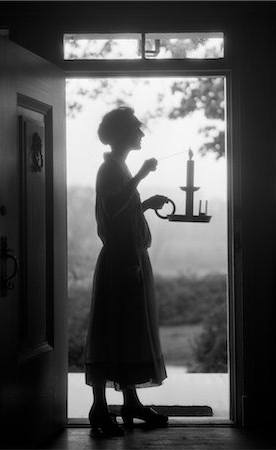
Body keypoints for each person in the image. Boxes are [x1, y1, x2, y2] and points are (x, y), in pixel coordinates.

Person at [84, 106, 169, 437]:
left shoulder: (119, 168)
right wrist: (142, 176)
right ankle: (99, 409)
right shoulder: (110, 170)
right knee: (111, 329)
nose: (141, 133)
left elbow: (122, 208)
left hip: (130, 258)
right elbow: (113, 206)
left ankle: (130, 402)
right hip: (119, 262)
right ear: (121, 134)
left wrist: (144, 204)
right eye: (136, 128)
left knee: (130, 329)